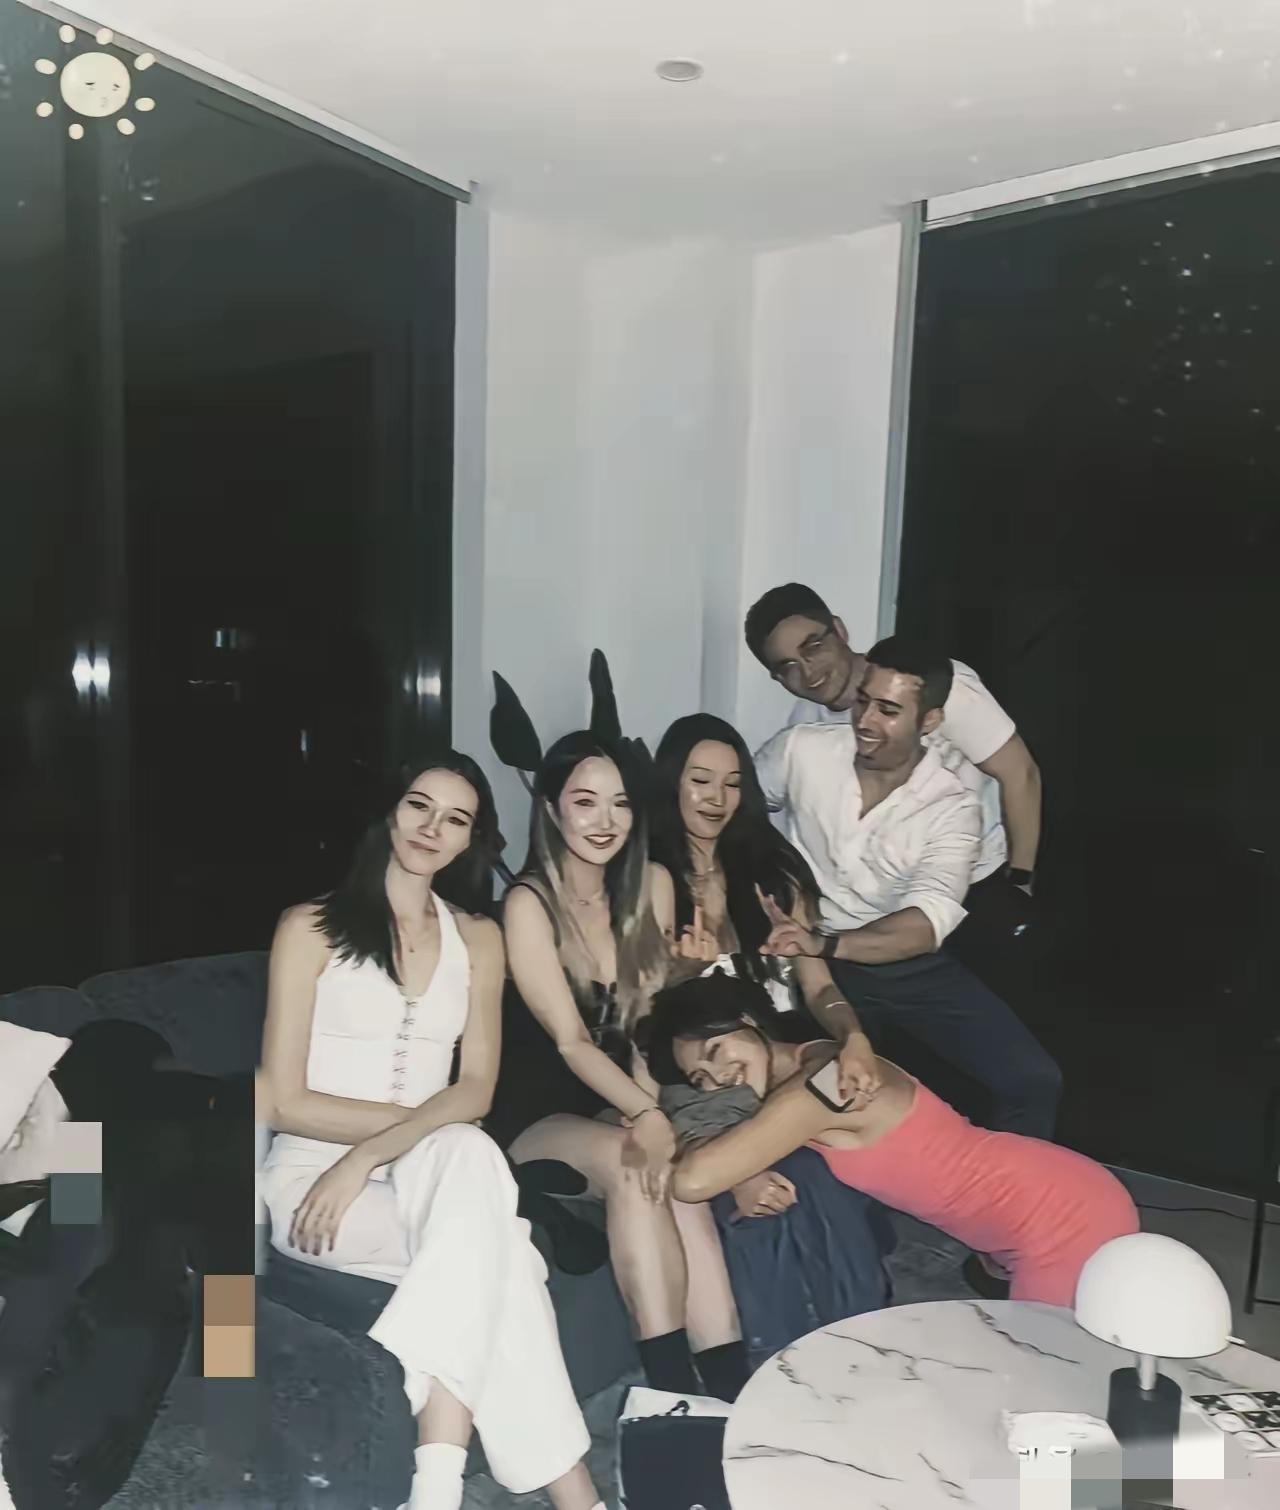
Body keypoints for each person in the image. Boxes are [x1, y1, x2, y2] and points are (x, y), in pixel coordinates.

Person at [257, 751, 602, 1510]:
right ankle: (568, 1498)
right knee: (505, 1255)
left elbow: (475, 1090)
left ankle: (437, 1488)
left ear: (470, 839)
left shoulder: (478, 938)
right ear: (390, 809)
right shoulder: (308, 927)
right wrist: (359, 1157)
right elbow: (282, 1100)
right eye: (420, 805)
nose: (432, 828)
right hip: (314, 1181)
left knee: (469, 1156)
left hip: (426, 1166)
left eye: (456, 819)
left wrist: (374, 1153)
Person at [501, 730, 750, 1402]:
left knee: (673, 1174)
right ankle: (668, 1392)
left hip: (613, 1098)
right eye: (585, 801)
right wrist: (646, 1117)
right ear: (551, 809)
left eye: (620, 803)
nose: (605, 820)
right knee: (633, 1161)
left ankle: (729, 1386)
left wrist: (650, 1110)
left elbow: (643, 1029)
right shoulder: (528, 904)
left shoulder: (652, 887)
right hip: (532, 1118)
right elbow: (570, 1042)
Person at [649, 974, 1138, 1308]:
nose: (718, 1077)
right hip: (1032, 1208)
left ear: (749, 1021)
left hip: (1060, 1217)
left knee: (1047, 1388)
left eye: (716, 1049)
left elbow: (692, 1181)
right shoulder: (810, 1061)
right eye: (700, 1078)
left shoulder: (824, 1083)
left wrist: (722, 1159)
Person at [750, 634, 1062, 1148]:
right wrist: (762, 881)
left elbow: (923, 927)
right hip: (810, 964)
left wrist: (824, 943)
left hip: (897, 963)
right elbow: (738, 806)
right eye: (863, 701)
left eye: (889, 710)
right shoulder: (801, 749)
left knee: (1033, 1080)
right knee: (820, 1089)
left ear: (930, 721)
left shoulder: (953, 805)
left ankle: (1006, 1192)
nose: (866, 721)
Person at [647, 713, 896, 1357]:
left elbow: (818, 986)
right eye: (700, 780)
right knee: (771, 1194)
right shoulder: (652, 880)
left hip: (782, 1067)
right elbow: (646, 1022)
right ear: (672, 784)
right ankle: (783, 1363)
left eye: (732, 783)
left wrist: (854, 1036)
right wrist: (679, 974)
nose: (716, 798)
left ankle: (861, 1340)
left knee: (817, 1170)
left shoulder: (771, 873)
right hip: (708, 1084)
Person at [744, 582, 1042, 899]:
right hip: (878, 901)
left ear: (840, 630)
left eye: (813, 646)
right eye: (787, 666)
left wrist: (1020, 881)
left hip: (973, 883)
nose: (807, 672)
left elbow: (1020, 774)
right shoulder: (803, 727)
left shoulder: (932, 685)